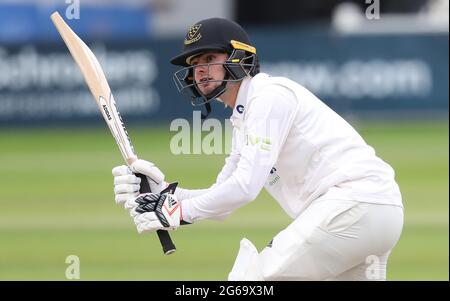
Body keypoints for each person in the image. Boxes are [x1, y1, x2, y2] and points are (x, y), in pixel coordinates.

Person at [112, 18, 404, 280]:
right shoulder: (245, 116)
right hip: (373, 213)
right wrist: (166, 192)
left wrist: (177, 211)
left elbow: (245, 187)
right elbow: (224, 197)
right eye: (194, 64)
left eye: (209, 58)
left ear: (240, 58)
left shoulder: (269, 97)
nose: (199, 70)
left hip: (354, 204)